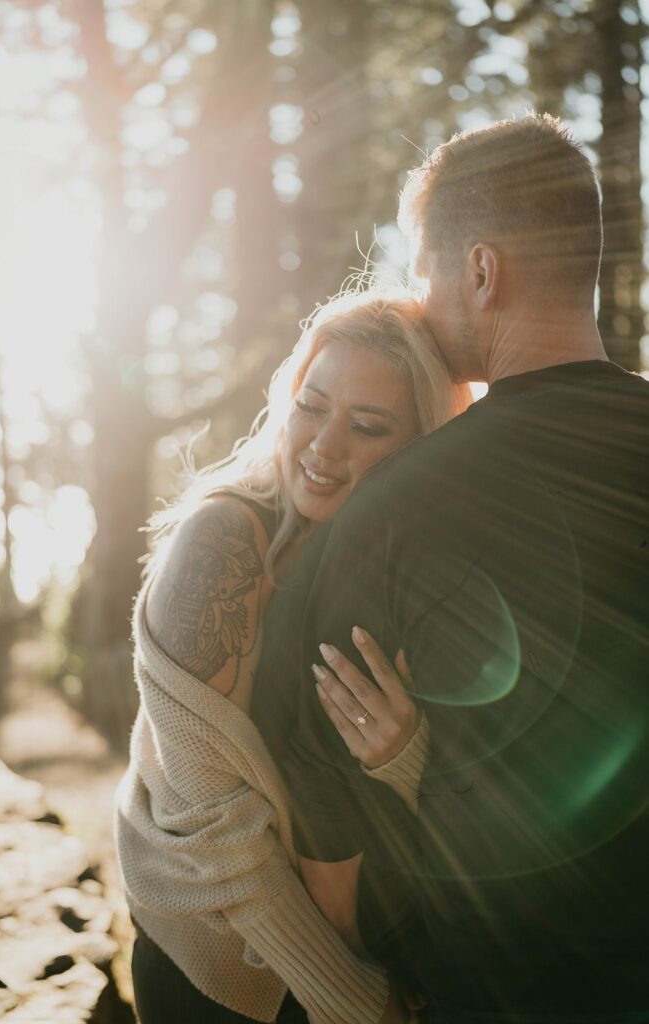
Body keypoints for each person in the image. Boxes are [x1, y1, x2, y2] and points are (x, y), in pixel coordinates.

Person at [255, 113, 649, 1022]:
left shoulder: (392, 506)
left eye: (425, 273)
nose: (422, 304)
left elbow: (327, 829)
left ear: (480, 269)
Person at [115, 288, 471, 1024]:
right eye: (311, 407)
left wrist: (400, 757)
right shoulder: (224, 540)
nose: (323, 446)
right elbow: (216, 832)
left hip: (340, 950)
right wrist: (352, 1001)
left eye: (367, 426)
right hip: (216, 966)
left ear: (419, 446)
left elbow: (451, 782)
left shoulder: (390, 574)